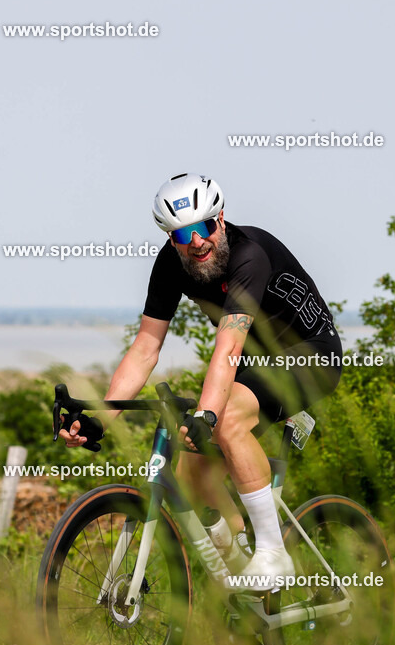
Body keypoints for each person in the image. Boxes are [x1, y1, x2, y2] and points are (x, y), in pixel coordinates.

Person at [59, 173, 342, 587]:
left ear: (221, 220)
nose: (196, 242)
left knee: (224, 422)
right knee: (193, 475)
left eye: (204, 227)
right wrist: (103, 418)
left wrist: (208, 414)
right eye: (182, 234)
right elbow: (145, 349)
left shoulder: (251, 256)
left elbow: (228, 346)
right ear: (171, 238)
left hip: (309, 354)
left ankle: (273, 554)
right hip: (253, 363)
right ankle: (243, 571)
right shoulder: (171, 264)